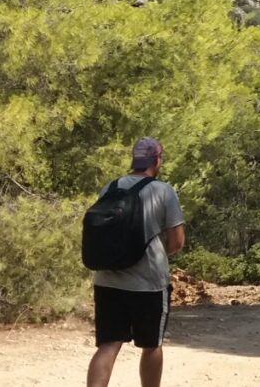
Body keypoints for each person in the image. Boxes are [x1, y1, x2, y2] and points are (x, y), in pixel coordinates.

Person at [87, 137, 186, 387]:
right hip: (149, 284)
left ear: (134, 159)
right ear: (157, 160)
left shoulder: (109, 188)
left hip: (107, 280)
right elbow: (177, 242)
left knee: (108, 345)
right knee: (152, 345)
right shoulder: (164, 191)